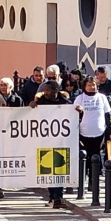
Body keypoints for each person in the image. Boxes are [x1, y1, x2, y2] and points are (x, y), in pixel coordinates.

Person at [30, 80, 74, 208]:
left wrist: (78, 110)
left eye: (48, 90)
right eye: (45, 90)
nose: (46, 92)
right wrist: (32, 105)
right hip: (45, 141)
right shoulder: (41, 101)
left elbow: (73, 114)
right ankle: (52, 196)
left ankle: (58, 197)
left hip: (61, 141)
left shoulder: (65, 103)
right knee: (48, 169)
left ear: (56, 91)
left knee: (60, 168)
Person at [73, 77, 111, 178]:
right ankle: (83, 179)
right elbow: (73, 117)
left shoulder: (102, 97)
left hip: (99, 131)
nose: (92, 87)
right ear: (84, 86)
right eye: (89, 85)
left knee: (96, 156)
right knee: (85, 156)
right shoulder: (80, 98)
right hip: (84, 132)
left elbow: (108, 115)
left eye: (93, 85)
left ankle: (94, 181)